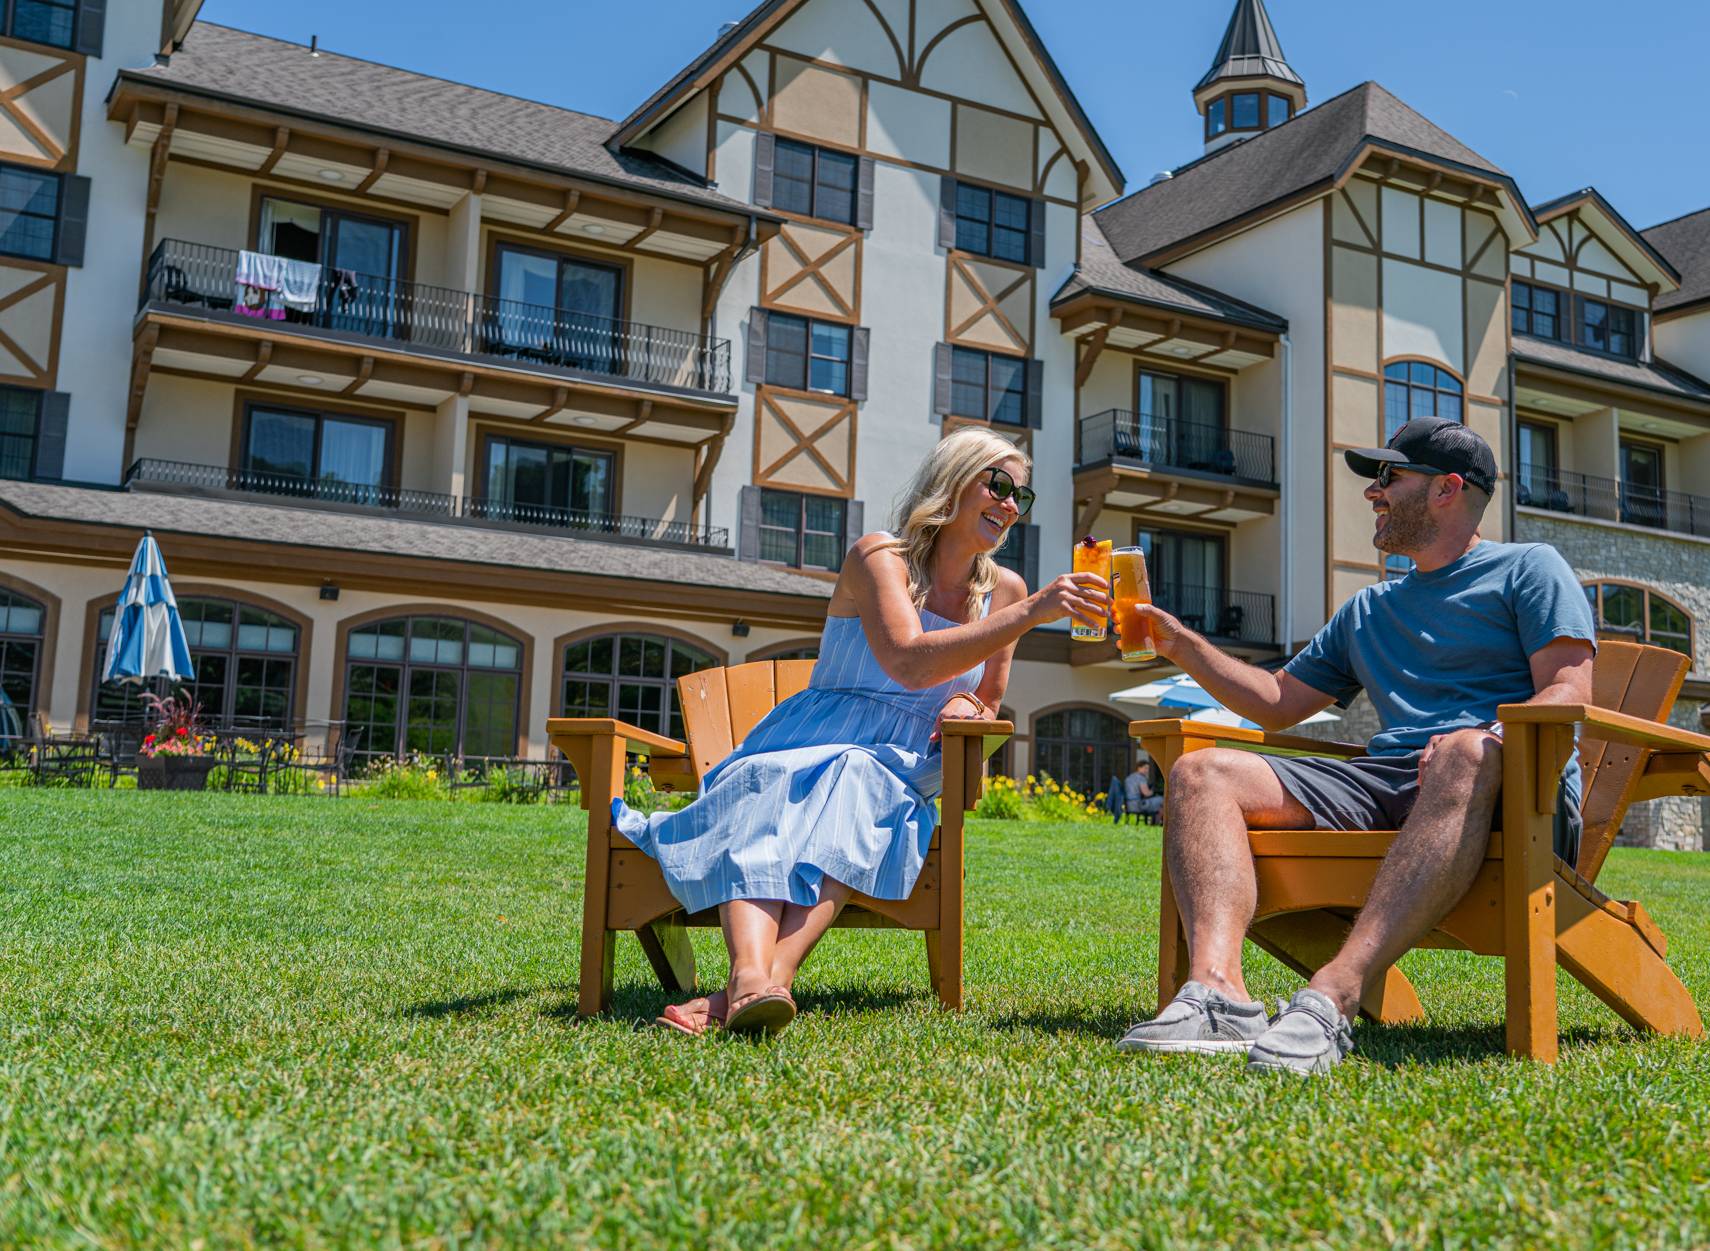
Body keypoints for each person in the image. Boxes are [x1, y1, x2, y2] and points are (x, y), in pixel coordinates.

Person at [1116, 417, 1596, 1074]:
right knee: (1202, 772)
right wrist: (1176, 641)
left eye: (1388, 477)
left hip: (1516, 788)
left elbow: (1570, 690)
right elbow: (1276, 700)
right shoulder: (1369, 609)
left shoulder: (1529, 568)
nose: (1373, 493)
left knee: (1462, 753)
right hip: (1391, 780)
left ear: (1448, 489)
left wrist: (1484, 734)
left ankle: (1333, 995)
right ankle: (1218, 994)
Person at [614, 428, 1109, 1036]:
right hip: (814, 734)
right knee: (772, 782)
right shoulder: (880, 558)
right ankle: (753, 983)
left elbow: (987, 698)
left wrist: (968, 708)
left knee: (859, 781)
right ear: (953, 482)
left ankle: (754, 986)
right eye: (999, 485)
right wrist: (1033, 614)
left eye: (1021, 498)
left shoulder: (1003, 590)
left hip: (902, 755)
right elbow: (906, 660)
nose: (1010, 505)